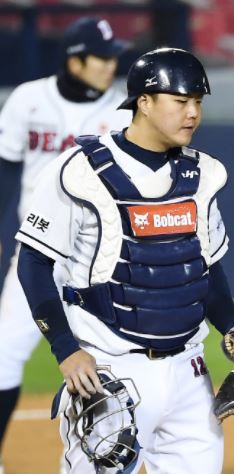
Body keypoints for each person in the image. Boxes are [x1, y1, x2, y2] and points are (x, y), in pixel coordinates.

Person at [15, 47, 234, 473]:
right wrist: (65, 350)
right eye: (180, 101)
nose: (193, 113)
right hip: (109, 371)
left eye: (198, 102)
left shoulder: (202, 176)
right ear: (143, 102)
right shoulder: (79, 172)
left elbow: (203, 268)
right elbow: (33, 263)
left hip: (190, 374)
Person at [0, 16, 130, 467]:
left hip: (96, 259)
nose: (110, 66)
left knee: (111, 364)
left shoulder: (123, 113)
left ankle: (99, 461)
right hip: (35, 251)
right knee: (2, 354)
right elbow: (5, 171)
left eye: (113, 58)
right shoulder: (28, 99)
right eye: (101, 58)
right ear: (75, 60)